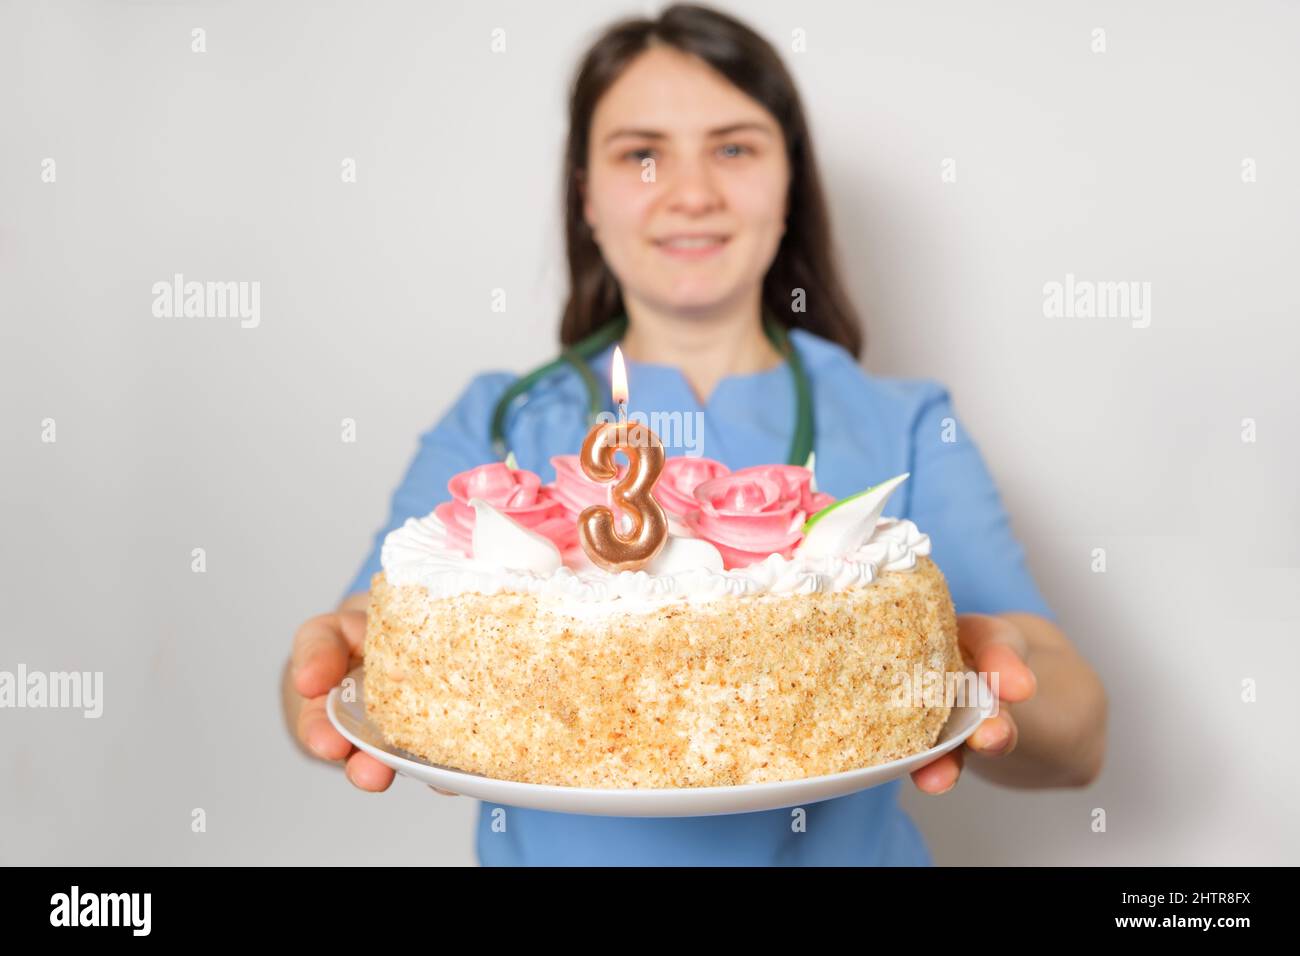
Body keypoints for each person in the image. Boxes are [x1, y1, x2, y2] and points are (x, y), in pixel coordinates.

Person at [282, 3, 1107, 866]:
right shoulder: (500, 424)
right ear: (585, 194)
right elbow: (341, 658)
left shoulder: (901, 423)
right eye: (641, 154)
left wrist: (978, 675)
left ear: (791, 182)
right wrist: (332, 659)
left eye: (735, 147)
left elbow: (1083, 739)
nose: (691, 193)